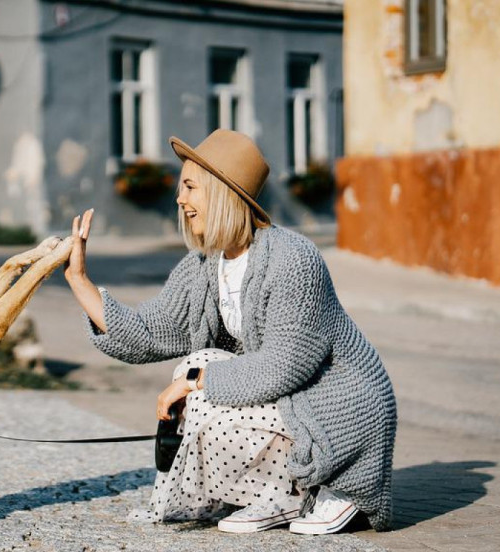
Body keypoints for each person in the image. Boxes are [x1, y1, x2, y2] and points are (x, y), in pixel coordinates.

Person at [63, 130, 396, 534]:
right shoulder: (206, 264)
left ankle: (321, 488)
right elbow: (151, 332)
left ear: (222, 192)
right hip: (290, 401)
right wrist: (80, 281)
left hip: (339, 409)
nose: (179, 199)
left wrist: (193, 383)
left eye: (190, 187)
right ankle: (273, 495)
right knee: (197, 365)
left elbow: (282, 367)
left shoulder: (294, 259)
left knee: (199, 379)